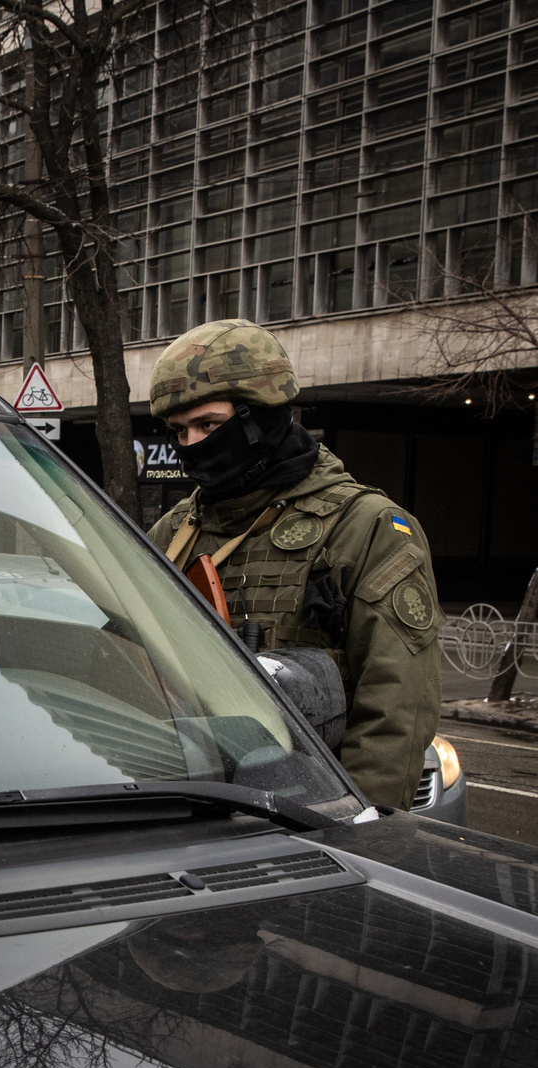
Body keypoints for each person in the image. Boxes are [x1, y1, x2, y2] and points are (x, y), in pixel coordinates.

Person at [145, 319, 442, 810]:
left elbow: (396, 710)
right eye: (179, 431)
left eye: (209, 425)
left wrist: (356, 826)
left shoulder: (365, 527)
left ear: (261, 417)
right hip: (186, 800)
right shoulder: (175, 531)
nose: (192, 444)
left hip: (306, 813)